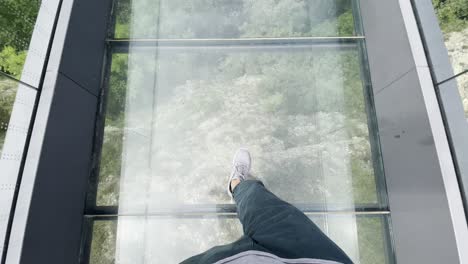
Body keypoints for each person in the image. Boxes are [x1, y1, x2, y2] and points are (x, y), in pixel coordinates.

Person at [181, 149, 354, 264]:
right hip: (314, 257)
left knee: (255, 200)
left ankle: (237, 185)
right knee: (261, 202)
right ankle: (237, 185)